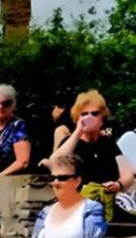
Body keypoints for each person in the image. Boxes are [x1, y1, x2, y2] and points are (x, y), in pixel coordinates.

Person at [46, 90, 134, 219]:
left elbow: (127, 175)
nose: (89, 117)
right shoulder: (71, 142)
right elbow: (54, 162)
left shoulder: (108, 143)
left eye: (94, 114)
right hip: (77, 207)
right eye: (84, 114)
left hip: (105, 205)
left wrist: (118, 185)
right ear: (77, 118)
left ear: (102, 118)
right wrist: (78, 131)